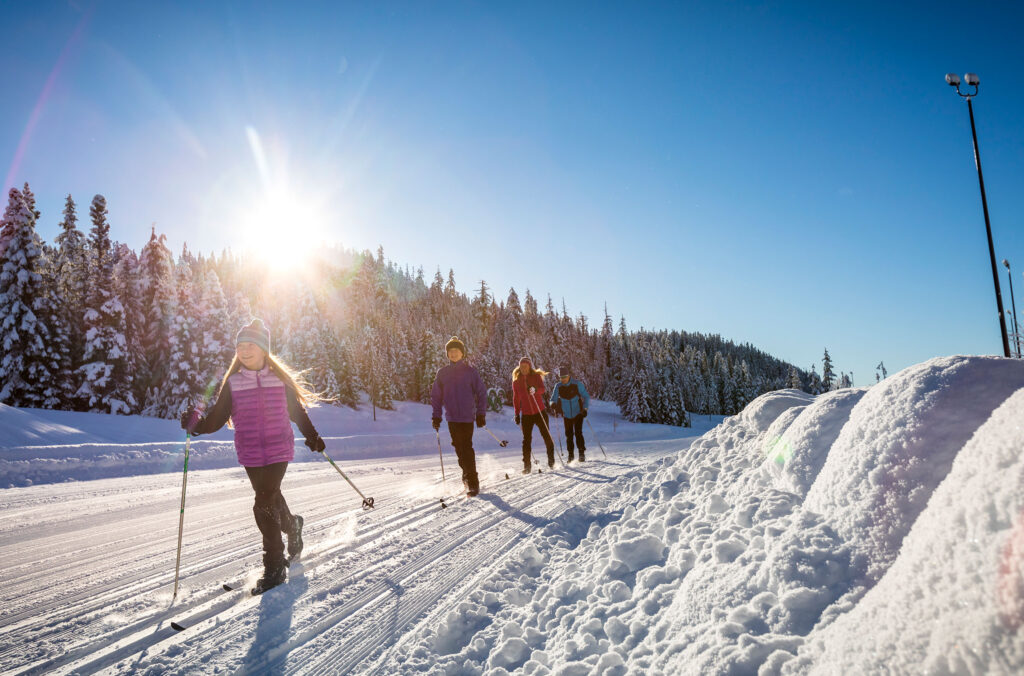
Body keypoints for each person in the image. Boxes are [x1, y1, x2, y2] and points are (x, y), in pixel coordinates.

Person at [180, 319, 326, 595]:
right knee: (270, 496)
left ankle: (274, 565)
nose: (244, 351)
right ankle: (293, 524)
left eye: (250, 345)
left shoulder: (279, 380)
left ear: (263, 349)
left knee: (263, 501)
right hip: (250, 451)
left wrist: (312, 436)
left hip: (278, 448)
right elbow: (216, 420)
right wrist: (195, 425)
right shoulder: (233, 384)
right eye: (239, 346)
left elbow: (296, 412)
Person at [430, 336, 487, 497]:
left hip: (467, 418)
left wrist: (481, 413)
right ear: (447, 354)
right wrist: (436, 416)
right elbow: (436, 396)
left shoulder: (470, 372)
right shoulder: (442, 373)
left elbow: (482, 393)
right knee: (459, 450)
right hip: (452, 418)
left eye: (456, 351)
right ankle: (466, 475)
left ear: (462, 353)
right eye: (451, 351)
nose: (454, 354)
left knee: (466, 449)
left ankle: (473, 482)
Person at [512, 356, 555, 472]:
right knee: (526, 440)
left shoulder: (535, 377)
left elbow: (542, 389)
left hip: (539, 411)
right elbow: (516, 399)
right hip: (526, 414)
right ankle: (527, 465)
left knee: (546, 435)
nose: (523, 369)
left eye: (525, 366)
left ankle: (551, 461)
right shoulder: (516, 383)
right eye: (521, 367)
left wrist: (535, 390)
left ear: (529, 366)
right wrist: (516, 414)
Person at [550, 365, 590, 462]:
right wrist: (552, 404)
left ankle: (581, 453)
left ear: (568, 376)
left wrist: (585, 409)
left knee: (578, 432)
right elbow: (552, 399)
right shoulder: (558, 386)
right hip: (566, 414)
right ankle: (570, 455)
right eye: (561, 377)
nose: (563, 379)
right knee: (569, 435)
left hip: (578, 412)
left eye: (564, 377)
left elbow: (586, 396)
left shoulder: (577, 384)